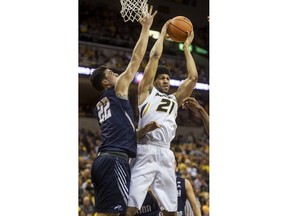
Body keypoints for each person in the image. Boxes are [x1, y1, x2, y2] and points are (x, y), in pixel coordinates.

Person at [126, 19, 199, 216]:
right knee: (131, 206)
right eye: (162, 78)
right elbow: (155, 56)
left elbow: (192, 78)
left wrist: (186, 48)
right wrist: (164, 32)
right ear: (154, 80)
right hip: (145, 150)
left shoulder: (175, 99)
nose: (166, 80)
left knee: (170, 210)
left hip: (166, 153)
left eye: (168, 78)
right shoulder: (146, 92)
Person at [89, 6, 157, 216]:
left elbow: (121, 133)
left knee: (104, 212)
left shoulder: (100, 105)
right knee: (116, 213)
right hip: (114, 161)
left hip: (104, 160)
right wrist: (146, 28)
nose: (116, 73)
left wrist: (142, 131)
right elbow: (136, 60)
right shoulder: (116, 90)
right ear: (105, 82)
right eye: (111, 72)